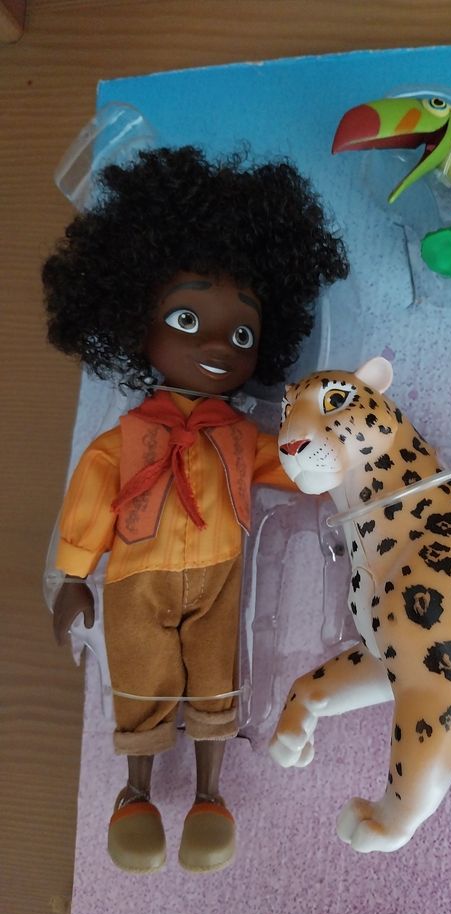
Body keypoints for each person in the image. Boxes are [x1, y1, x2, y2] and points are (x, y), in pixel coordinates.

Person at [43, 146, 348, 873]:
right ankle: (135, 793)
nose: (217, 343)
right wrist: (74, 577)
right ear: (133, 320)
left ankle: (211, 795)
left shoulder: (238, 434)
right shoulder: (125, 439)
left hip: (220, 578)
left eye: (242, 333)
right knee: (141, 677)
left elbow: (292, 467)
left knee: (216, 677)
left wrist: (335, 463)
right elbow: (90, 499)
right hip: (135, 579)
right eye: (186, 316)